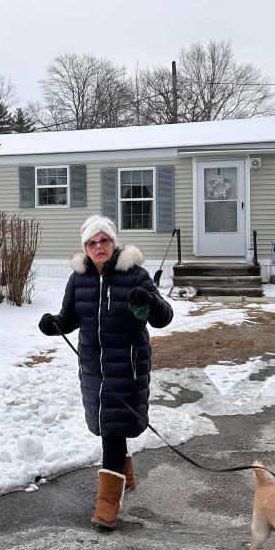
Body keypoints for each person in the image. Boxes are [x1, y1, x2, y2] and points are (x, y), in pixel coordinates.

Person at [38, 215, 173, 528]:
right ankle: (125, 476)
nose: (98, 247)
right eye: (91, 243)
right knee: (107, 425)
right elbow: (70, 317)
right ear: (85, 247)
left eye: (104, 241)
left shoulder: (134, 274)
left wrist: (148, 301)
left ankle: (108, 505)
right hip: (93, 369)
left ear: (114, 243)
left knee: (112, 431)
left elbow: (162, 317)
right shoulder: (79, 278)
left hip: (127, 366)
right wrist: (54, 324)